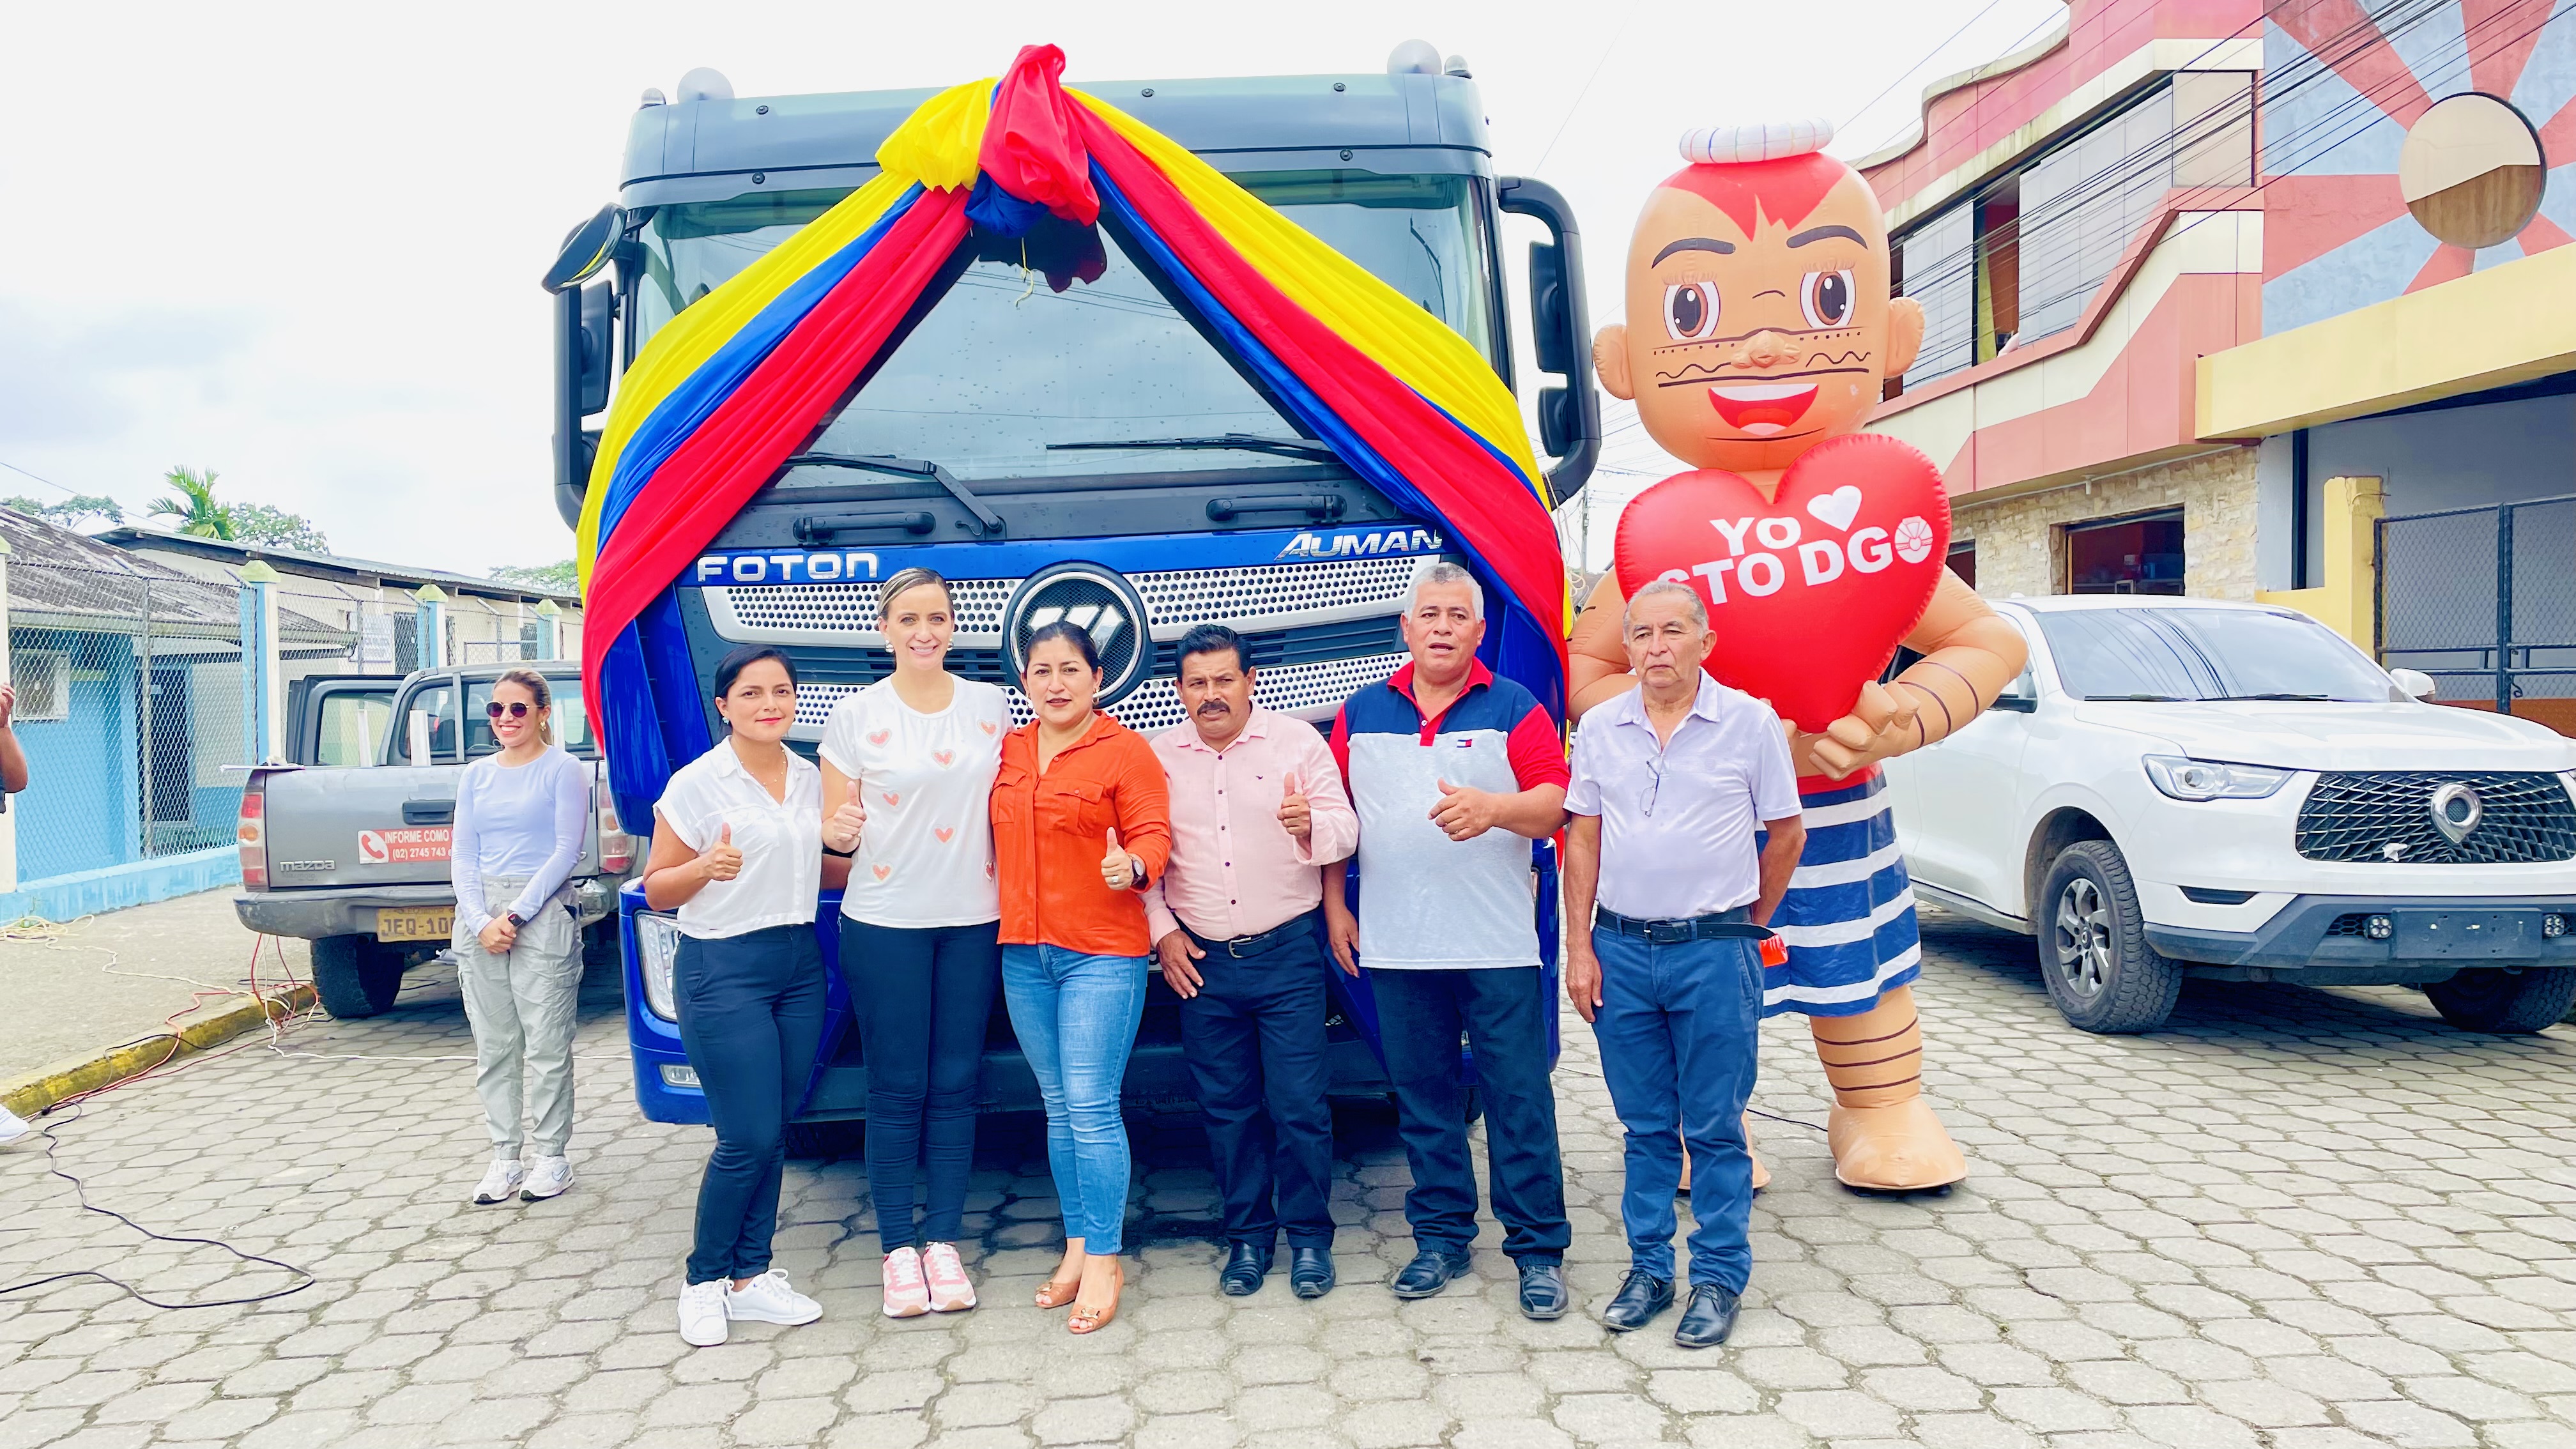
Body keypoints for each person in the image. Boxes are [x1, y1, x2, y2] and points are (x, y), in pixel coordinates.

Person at [1322, 560, 1573, 1320]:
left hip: (1497, 945)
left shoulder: (1515, 706)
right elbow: (1336, 818)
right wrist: (1334, 905)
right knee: (1424, 1102)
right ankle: (1440, 1239)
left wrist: (1495, 809)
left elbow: (1556, 804)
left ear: (1479, 629)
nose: (1441, 627)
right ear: (1406, 628)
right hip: (1397, 947)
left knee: (1517, 1099)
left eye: (1456, 616)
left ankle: (1538, 1250)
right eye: (1428, 615)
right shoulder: (1361, 713)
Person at [1563, 580, 1805, 1348]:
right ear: (1627, 647)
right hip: (1621, 951)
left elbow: (1787, 833)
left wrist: (1745, 926)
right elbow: (1583, 839)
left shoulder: (1749, 722)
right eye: (1641, 634)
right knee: (1644, 1128)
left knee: (1715, 1127)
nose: (1656, 647)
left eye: (1672, 631)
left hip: (1714, 953)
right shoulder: (1600, 727)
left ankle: (1718, 1278)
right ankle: (1648, 1270)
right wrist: (1579, 948)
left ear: (1707, 641)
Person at [818, 568, 1010, 1319]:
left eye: (936, 618)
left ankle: (945, 1243)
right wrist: (836, 832)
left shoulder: (989, 705)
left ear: (953, 626)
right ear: (885, 628)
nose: (924, 632)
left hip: (973, 919)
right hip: (884, 922)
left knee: (957, 1083)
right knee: (897, 1087)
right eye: (908, 619)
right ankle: (898, 1250)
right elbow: (835, 833)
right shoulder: (855, 715)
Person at [1144, 625, 1357, 1300]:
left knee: (1300, 1107)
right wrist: (1161, 932)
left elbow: (1347, 827)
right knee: (1227, 1109)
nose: (1211, 695)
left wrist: (1311, 825)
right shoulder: (1157, 758)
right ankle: (1248, 1240)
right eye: (1197, 683)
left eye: (1223, 680)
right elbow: (1143, 854)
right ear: (1180, 690)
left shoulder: (1297, 743)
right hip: (1202, 963)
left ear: (1250, 681)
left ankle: (1311, 1240)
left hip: (1287, 954)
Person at [643, 645, 847, 1348]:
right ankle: (703, 1281)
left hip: (798, 963)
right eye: (752, 693)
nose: (769, 704)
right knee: (746, 1136)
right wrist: (705, 866)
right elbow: (657, 887)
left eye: (781, 691)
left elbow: (823, 865)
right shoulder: (697, 783)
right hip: (722, 967)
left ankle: (750, 1277)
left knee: (776, 1127)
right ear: (723, 705)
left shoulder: (809, 777)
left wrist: (874, 854)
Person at [992, 621, 1171, 1335]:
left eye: (1071, 669)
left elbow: (1154, 833)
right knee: (1058, 1105)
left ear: (1098, 678)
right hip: (1023, 952)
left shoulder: (1126, 751)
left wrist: (1134, 865)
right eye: (1042, 671)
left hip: (1100, 952)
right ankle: (1075, 1244)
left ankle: (1104, 1258)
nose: (1056, 683)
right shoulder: (1007, 750)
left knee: (1092, 1106)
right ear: (1025, 681)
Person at [450, 668, 595, 1206]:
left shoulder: (563, 770)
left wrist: (514, 916)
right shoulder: (476, 775)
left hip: (541, 910)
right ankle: (505, 1157)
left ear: (542, 712)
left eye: (518, 709)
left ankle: (552, 1156)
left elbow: (565, 850)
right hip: (480, 913)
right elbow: (464, 853)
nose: (506, 719)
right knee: (495, 1046)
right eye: (496, 709)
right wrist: (478, 919)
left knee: (547, 1043)